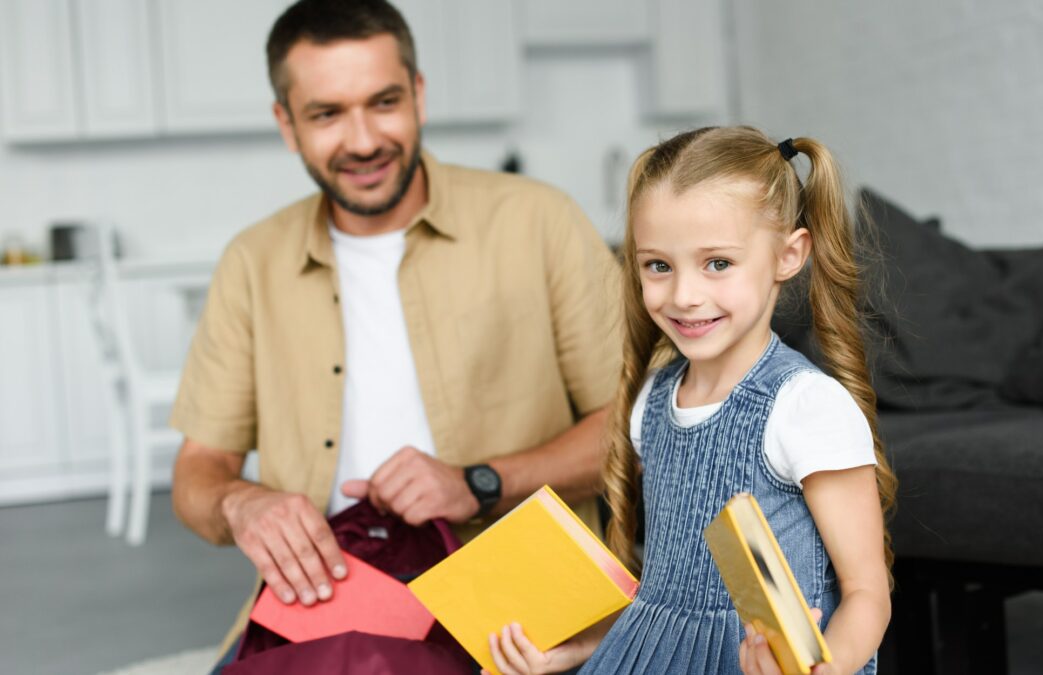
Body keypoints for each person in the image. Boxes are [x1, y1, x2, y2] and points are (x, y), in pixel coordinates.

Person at [169, 0, 621, 662]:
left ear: (418, 93)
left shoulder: (539, 221)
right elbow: (197, 471)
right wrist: (242, 503)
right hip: (326, 596)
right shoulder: (252, 262)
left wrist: (480, 481)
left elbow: (638, 427)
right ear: (287, 124)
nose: (361, 140)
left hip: (518, 596)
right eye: (326, 114)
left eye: (383, 102)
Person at [485, 126, 896, 675]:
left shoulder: (805, 407)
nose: (683, 295)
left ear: (788, 255)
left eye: (717, 263)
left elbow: (869, 593)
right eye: (659, 265)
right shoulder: (652, 402)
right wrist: (575, 649)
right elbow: (663, 601)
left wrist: (826, 667)